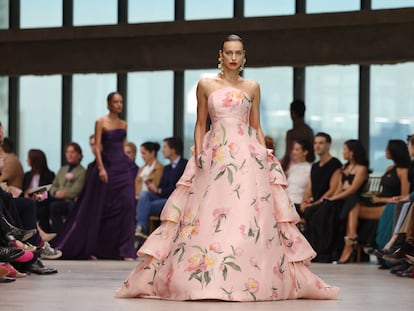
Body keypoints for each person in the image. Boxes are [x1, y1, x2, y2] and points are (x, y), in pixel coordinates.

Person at [115, 34, 339, 301]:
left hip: (247, 155)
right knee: (207, 212)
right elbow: (201, 123)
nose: (233, 58)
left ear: (244, 56)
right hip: (214, 153)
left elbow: (255, 126)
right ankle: (202, 278)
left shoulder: (252, 86)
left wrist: (265, 156)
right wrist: (198, 153)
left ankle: (248, 279)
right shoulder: (206, 84)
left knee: (246, 214)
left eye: (238, 53)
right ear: (220, 54)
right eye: (229, 53)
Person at [52, 92, 136, 260]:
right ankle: (101, 249)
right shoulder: (101, 122)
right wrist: (101, 168)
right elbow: (97, 147)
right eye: (115, 102)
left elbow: (122, 144)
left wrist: (129, 162)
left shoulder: (123, 124)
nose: (119, 105)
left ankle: (126, 249)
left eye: (121, 102)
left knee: (127, 206)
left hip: (123, 167)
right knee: (107, 208)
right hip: (108, 166)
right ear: (108, 104)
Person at [308, 140, 369, 263]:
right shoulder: (344, 168)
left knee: (344, 203)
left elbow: (353, 190)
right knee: (320, 209)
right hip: (341, 199)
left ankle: (340, 246)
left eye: (345, 150)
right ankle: (319, 248)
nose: (343, 152)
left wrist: (334, 198)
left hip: (353, 199)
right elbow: (339, 188)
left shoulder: (361, 169)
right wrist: (331, 198)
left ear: (352, 152)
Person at [135, 137, 187, 238]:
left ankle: (141, 229)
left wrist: (159, 190)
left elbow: (179, 188)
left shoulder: (185, 165)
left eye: (165, 147)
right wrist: (154, 188)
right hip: (163, 198)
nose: (162, 150)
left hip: (175, 201)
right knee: (144, 195)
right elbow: (161, 188)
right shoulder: (167, 168)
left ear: (172, 149)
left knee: (142, 207)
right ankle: (141, 228)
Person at [40, 143, 86, 234]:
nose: (69, 155)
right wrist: (56, 192)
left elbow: (77, 190)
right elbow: (53, 185)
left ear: (79, 155)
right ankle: (53, 234)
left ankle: (65, 234)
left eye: (72, 152)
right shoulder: (62, 169)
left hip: (71, 200)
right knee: (46, 204)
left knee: (61, 206)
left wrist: (64, 194)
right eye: (67, 152)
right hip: (58, 198)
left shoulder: (82, 171)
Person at [281, 100, 314, 172]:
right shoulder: (309, 131)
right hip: (307, 167)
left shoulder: (291, 133)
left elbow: (288, 155)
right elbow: (312, 154)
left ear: (293, 113)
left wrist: (281, 170)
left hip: (292, 168)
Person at [285, 139, 315, 208]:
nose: (293, 152)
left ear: (305, 152)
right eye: (293, 149)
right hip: (287, 203)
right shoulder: (292, 168)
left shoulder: (311, 168)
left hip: (300, 204)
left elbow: (310, 190)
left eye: (297, 150)